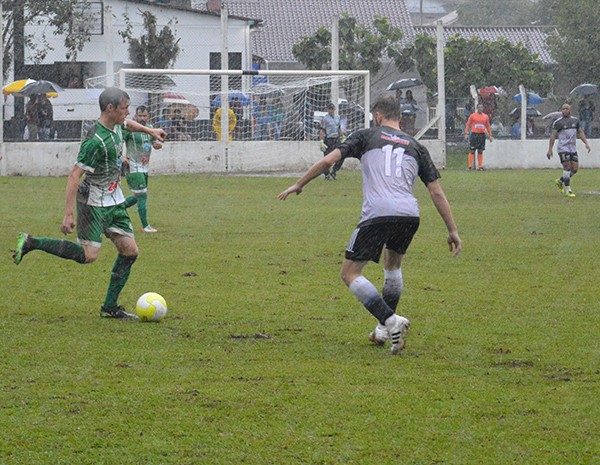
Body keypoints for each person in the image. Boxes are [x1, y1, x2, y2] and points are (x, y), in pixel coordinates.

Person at [278, 96, 462, 355]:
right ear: (399, 116)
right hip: (409, 214)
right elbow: (436, 192)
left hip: (379, 212)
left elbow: (327, 161)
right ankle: (383, 330)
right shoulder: (416, 146)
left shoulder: (366, 136)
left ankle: (390, 320)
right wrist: (452, 230)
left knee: (349, 273)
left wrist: (300, 183)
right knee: (393, 266)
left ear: (377, 116)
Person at [12, 87, 167, 319]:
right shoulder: (95, 141)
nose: (128, 112)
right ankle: (32, 242)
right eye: (125, 108)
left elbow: (130, 125)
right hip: (92, 203)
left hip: (114, 201)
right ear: (110, 109)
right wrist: (68, 214)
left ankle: (110, 307)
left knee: (130, 251)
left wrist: (151, 130)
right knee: (89, 256)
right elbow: (74, 175)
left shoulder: (116, 126)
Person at [123, 105, 163, 233]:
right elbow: (117, 141)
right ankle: (145, 226)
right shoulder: (130, 130)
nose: (142, 118)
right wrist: (121, 157)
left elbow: (153, 142)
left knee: (138, 196)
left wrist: (156, 145)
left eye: (144, 115)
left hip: (144, 167)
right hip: (133, 167)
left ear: (148, 116)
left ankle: (113, 208)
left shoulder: (150, 129)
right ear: (135, 116)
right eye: (140, 115)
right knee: (142, 195)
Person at [547, 103, 591, 198]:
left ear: (570, 110)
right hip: (563, 148)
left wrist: (586, 143)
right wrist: (550, 149)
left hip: (572, 148)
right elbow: (553, 136)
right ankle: (568, 190)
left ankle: (560, 181)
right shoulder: (558, 122)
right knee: (567, 167)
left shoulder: (575, 121)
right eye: (563, 109)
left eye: (566, 109)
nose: (565, 110)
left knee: (574, 169)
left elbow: (580, 132)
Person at [319, 102, 345, 180]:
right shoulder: (325, 119)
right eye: (329, 109)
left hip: (336, 139)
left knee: (342, 155)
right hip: (329, 139)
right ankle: (326, 174)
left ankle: (334, 170)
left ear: (334, 109)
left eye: (332, 109)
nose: (331, 110)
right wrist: (321, 141)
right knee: (327, 158)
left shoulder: (338, 117)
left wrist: (342, 136)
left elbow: (339, 128)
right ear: (327, 110)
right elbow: (322, 130)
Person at [464, 103, 493, 170]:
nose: (480, 108)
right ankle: (469, 166)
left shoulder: (485, 116)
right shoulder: (472, 116)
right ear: (477, 108)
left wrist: (490, 135)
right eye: (479, 107)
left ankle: (480, 166)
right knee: (472, 150)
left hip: (482, 135)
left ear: (483, 108)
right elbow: (468, 124)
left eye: (481, 107)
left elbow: (488, 126)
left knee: (480, 151)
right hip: (474, 134)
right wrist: (466, 133)